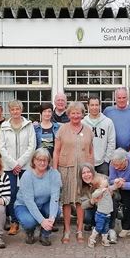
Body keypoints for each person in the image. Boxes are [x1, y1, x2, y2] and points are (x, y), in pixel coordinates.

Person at [53, 101, 94, 244]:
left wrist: (91, 171)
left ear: (82, 114)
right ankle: (66, 230)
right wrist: (55, 170)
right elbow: (56, 151)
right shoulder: (62, 129)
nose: (76, 115)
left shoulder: (88, 130)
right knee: (66, 201)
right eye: (73, 113)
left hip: (83, 171)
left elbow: (90, 151)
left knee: (80, 200)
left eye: (78, 113)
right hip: (66, 169)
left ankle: (80, 230)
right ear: (68, 114)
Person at [0, 100, 36, 235]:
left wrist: (20, 163)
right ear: (9, 111)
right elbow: (2, 147)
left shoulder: (29, 125)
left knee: (26, 193)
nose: (15, 112)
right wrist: (14, 164)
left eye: (17, 109)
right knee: (11, 193)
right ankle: (14, 222)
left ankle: (29, 221)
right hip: (9, 167)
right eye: (12, 109)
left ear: (21, 110)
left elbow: (32, 146)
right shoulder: (4, 126)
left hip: (25, 166)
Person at [14, 148, 62, 246]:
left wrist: (51, 218)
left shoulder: (54, 174)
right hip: (24, 205)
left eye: (45, 160)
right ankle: (29, 231)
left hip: (44, 203)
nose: (42, 163)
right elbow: (29, 202)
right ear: (33, 161)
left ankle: (45, 234)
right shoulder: (27, 175)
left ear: (49, 161)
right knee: (29, 221)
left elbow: (55, 198)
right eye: (39, 160)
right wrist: (42, 221)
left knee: (56, 211)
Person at [82, 96, 115, 175]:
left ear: (100, 106)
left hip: (103, 163)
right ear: (88, 106)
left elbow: (111, 142)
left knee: (103, 186)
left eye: (96, 105)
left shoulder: (108, 122)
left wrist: (107, 159)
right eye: (92, 105)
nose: (94, 107)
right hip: (86, 163)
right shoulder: (83, 123)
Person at [103, 87, 130, 153]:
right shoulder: (107, 112)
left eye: (124, 97)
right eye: (119, 98)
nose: (121, 100)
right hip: (111, 152)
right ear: (115, 98)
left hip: (129, 151)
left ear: (127, 98)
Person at [87, 174, 114, 248]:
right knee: (99, 227)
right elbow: (94, 195)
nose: (105, 180)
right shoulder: (99, 191)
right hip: (100, 214)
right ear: (99, 186)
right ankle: (91, 238)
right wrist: (101, 190)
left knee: (106, 228)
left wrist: (116, 183)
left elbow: (113, 187)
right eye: (103, 180)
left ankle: (104, 239)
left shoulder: (108, 189)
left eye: (105, 180)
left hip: (108, 214)